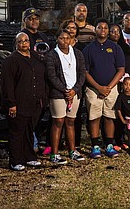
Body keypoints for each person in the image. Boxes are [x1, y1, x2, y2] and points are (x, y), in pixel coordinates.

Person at [1, 32, 48, 171]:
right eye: (20, 41)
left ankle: (30, 157)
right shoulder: (11, 60)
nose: (24, 43)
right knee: (17, 132)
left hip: (35, 102)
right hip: (19, 103)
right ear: (16, 44)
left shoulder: (36, 58)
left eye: (26, 40)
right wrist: (11, 104)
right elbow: (7, 84)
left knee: (29, 131)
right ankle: (15, 160)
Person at [82, 19, 126, 158]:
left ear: (108, 31)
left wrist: (108, 87)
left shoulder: (115, 48)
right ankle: (95, 146)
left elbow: (121, 69)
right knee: (94, 117)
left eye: (105, 28)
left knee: (109, 116)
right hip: (93, 89)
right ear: (95, 30)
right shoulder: (88, 49)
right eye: (99, 27)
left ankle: (109, 145)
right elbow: (85, 72)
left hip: (111, 89)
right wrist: (99, 88)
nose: (103, 30)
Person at [45, 29, 87, 164]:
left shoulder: (77, 54)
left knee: (71, 122)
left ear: (71, 40)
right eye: (62, 38)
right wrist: (65, 90)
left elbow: (82, 74)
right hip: (58, 94)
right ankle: (54, 154)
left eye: (67, 38)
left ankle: (72, 150)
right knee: (58, 122)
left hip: (75, 93)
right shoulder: (52, 55)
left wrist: (74, 90)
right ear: (57, 39)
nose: (65, 41)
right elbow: (51, 76)